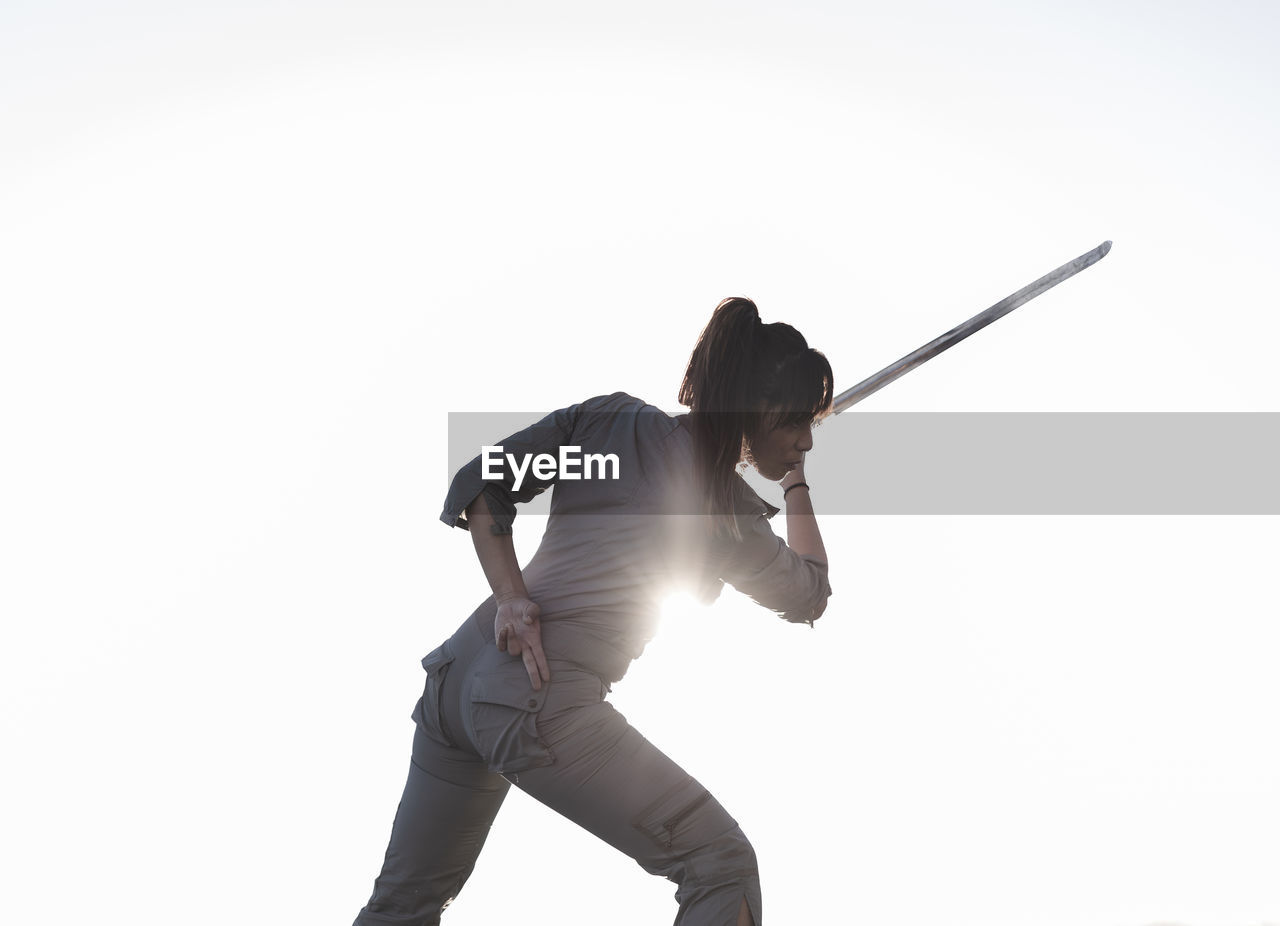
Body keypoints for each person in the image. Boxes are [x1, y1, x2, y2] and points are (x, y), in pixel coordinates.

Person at [352, 297, 835, 926]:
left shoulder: (611, 425)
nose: (805, 440)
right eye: (795, 424)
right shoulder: (726, 515)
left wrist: (511, 598)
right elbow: (809, 594)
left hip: (460, 675)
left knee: (402, 905)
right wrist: (795, 484)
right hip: (538, 695)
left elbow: (485, 478)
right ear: (753, 412)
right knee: (721, 862)